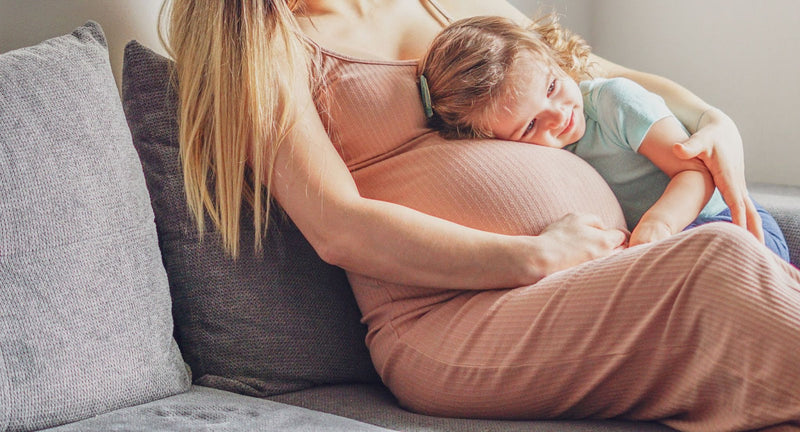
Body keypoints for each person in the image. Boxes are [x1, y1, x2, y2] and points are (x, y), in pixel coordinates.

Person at [161, 0, 800, 430]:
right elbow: (337, 226)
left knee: (732, 271)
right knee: (715, 264)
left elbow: (593, 75)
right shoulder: (256, 39)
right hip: (447, 318)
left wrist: (715, 121)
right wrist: (531, 255)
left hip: (580, 277)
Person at [416, 15, 790, 260]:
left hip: (725, 222)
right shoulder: (530, 159)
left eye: (551, 87)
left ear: (553, 58)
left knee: (720, 269)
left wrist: (659, 224)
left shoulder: (614, 102)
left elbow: (696, 172)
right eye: (529, 125)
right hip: (659, 246)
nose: (559, 116)